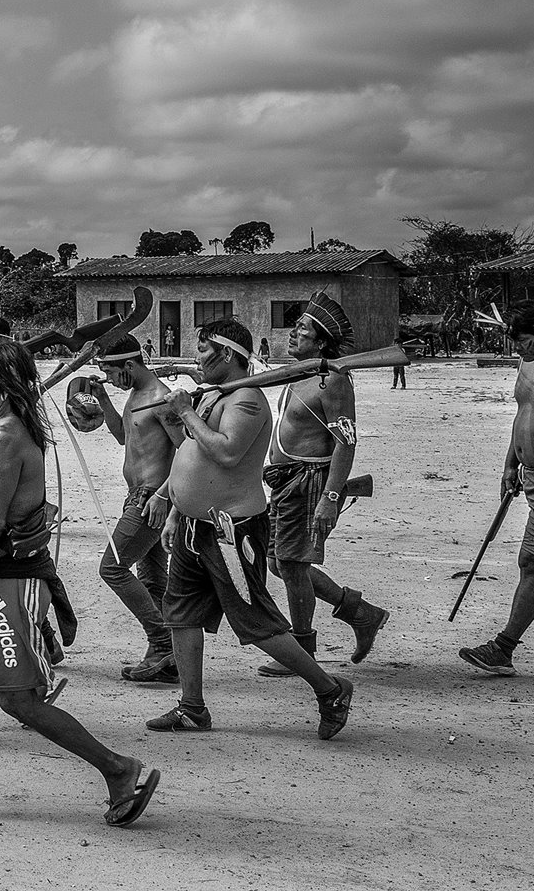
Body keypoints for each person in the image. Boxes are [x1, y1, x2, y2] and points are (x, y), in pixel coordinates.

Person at [0, 338, 160, 826]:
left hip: (5, 584)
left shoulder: (4, 437)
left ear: (2, 386)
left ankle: (119, 770)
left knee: (18, 699)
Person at [144, 318, 353, 739]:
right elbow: (190, 450)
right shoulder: (211, 398)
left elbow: (226, 451)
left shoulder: (247, 401)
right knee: (181, 615)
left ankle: (330, 689)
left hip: (229, 530)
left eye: (203, 351)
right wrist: (171, 503)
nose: (197, 359)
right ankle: (192, 707)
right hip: (192, 525)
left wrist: (185, 410)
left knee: (254, 621)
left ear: (225, 354)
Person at [257, 294, 388, 677]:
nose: (294, 334)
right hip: (284, 482)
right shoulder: (299, 374)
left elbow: (346, 441)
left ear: (321, 342)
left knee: (291, 564)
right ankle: (360, 612)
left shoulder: (332, 382)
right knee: (277, 562)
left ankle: (302, 651)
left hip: (310, 481)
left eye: (303, 330)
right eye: (295, 327)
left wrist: (330, 497)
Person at [460, 301, 534, 676]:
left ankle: (503, 647)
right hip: (533, 475)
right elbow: (523, 412)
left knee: (531, 560)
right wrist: (511, 462)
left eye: (523, 341)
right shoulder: (528, 363)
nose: (517, 349)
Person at [66, 330, 180, 683]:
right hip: (138, 496)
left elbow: (186, 452)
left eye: (113, 374)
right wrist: (103, 399)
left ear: (130, 365)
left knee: (113, 568)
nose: (111, 380)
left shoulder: (161, 398)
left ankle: (162, 642)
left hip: (152, 498)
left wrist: (165, 497)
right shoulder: (135, 395)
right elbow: (122, 435)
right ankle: (170, 656)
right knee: (151, 577)